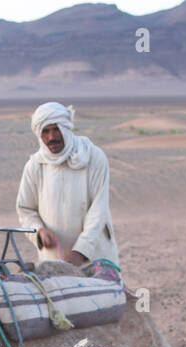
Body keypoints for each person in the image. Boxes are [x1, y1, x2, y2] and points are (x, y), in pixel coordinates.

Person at [16, 102, 120, 269]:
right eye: (45, 131)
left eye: (56, 129)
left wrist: (81, 251)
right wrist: (39, 231)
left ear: (66, 128)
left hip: (95, 255)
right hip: (54, 260)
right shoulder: (35, 165)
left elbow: (98, 209)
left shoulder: (93, 157)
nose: (52, 137)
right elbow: (25, 209)